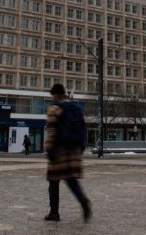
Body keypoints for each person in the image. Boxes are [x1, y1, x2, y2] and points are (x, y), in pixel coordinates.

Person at [44, 83, 92, 223]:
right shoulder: (75, 107)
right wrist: (81, 145)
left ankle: (54, 213)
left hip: (59, 149)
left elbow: (51, 130)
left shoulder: (54, 108)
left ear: (55, 94)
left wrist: (49, 148)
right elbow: (83, 126)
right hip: (74, 149)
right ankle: (83, 201)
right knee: (71, 179)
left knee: (53, 181)